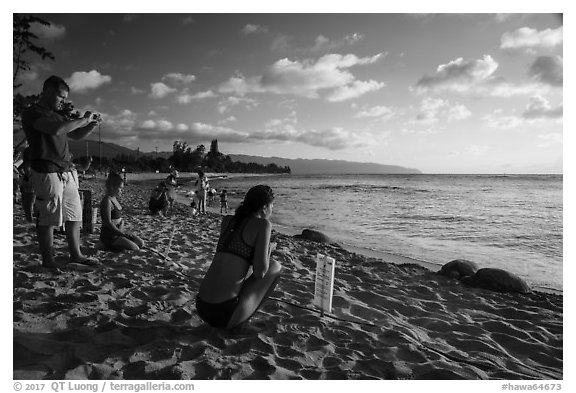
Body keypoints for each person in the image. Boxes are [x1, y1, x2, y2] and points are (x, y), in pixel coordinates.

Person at [21, 75, 100, 270]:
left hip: (67, 169)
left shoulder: (58, 114)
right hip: (46, 170)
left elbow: (74, 134)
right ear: (47, 92)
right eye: (61, 97)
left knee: (74, 214)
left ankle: (76, 255)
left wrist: (91, 124)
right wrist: (82, 119)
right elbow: (56, 130)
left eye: (65, 98)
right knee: (48, 217)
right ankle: (48, 261)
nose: (63, 101)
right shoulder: (33, 113)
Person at [196, 185, 282, 330]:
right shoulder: (263, 224)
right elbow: (260, 272)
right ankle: (243, 322)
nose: (272, 209)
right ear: (264, 207)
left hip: (201, 306)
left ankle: (239, 315)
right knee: (275, 267)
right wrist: (269, 248)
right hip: (223, 313)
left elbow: (228, 256)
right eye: (272, 205)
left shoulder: (228, 221)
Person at [100, 172, 145, 251]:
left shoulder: (114, 198)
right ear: (112, 187)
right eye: (120, 188)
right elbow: (108, 222)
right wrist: (121, 234)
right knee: (135, 248)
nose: (121, 191)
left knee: (141, 243)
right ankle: (108, 246)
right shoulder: (107, 201)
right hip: (111, 235)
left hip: (119, 231)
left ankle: (118, 246)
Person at [19, 149, 36, 223]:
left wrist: (24, 175)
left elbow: (19, 168)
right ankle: (31, 219)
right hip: (32, 182)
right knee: (31, 202)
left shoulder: (25, 163)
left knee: (27, 202)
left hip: (26, 182)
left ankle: (29, 218)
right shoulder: (34, 163)